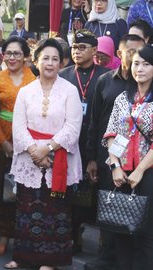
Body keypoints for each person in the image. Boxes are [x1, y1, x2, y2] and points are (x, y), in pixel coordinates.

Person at [4, 38, 83, 270]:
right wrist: (34, 151)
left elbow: (73, 127)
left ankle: (50, 261)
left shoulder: (70, 91)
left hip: (58, 158)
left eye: (55, 59)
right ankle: (22, 257)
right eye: (45, 58)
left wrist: (47, 148)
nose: (50, 63)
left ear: (62, 63)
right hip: (29, 159)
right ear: (36, 61)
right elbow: (18, 128)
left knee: (56, 211)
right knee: (27, 209)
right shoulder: (26, 92)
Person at [84, 33, 145, 270]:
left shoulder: (145, 82)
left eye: (140, 51)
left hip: (140, 160)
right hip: (109, 158)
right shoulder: (105, 81)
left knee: (137, 212)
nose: (136, 57)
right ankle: (108, 259)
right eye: (130, 52)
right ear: (119, 55)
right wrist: (91, 158)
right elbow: (94, 121)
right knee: (110, 210)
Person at [58, 29, 111, 254]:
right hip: (68, 141)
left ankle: (102, 239)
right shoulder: (64, 74)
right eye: (74, 48)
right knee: (68, 189)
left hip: (94, 141)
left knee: (93, 190)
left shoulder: (105, 76)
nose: (77, 52)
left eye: (82, 48)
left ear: (94, 50)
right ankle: (72, 234)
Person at [103, 44, 153, 270]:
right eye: (136, 63)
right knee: (120, 229)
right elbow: (112, 134)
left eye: (146, 64)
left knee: (146, 233)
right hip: (121, 171)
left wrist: (141, 170)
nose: (139, 69)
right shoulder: (123, 98)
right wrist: (115, 166)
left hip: (148, 173)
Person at [0, 36, 36, 257]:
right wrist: (4, 142)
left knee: (25, 192)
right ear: (2, 55)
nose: (13, 57)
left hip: (27, 143)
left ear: (26, 56)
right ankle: (4, 236)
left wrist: (24, 142)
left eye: (17, 53)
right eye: (9, 53)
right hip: (0, 142)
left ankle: (25, 236)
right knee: (2, 190)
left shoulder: (33, 79)